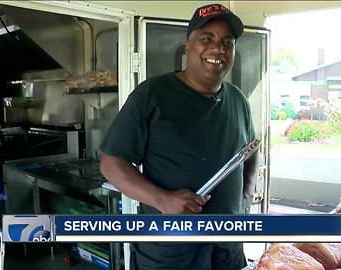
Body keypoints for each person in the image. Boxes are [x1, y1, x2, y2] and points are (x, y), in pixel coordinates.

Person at [99, 3, 258, 270]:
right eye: (206, 38)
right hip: (169, 252)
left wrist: (244, 202)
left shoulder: (238, 101)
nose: (217, 49)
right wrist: (162, 199)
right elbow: (111, 162)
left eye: (226, 42)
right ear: (187, 44)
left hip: (225, 250)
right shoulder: (152, 95)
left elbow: (250, 153)